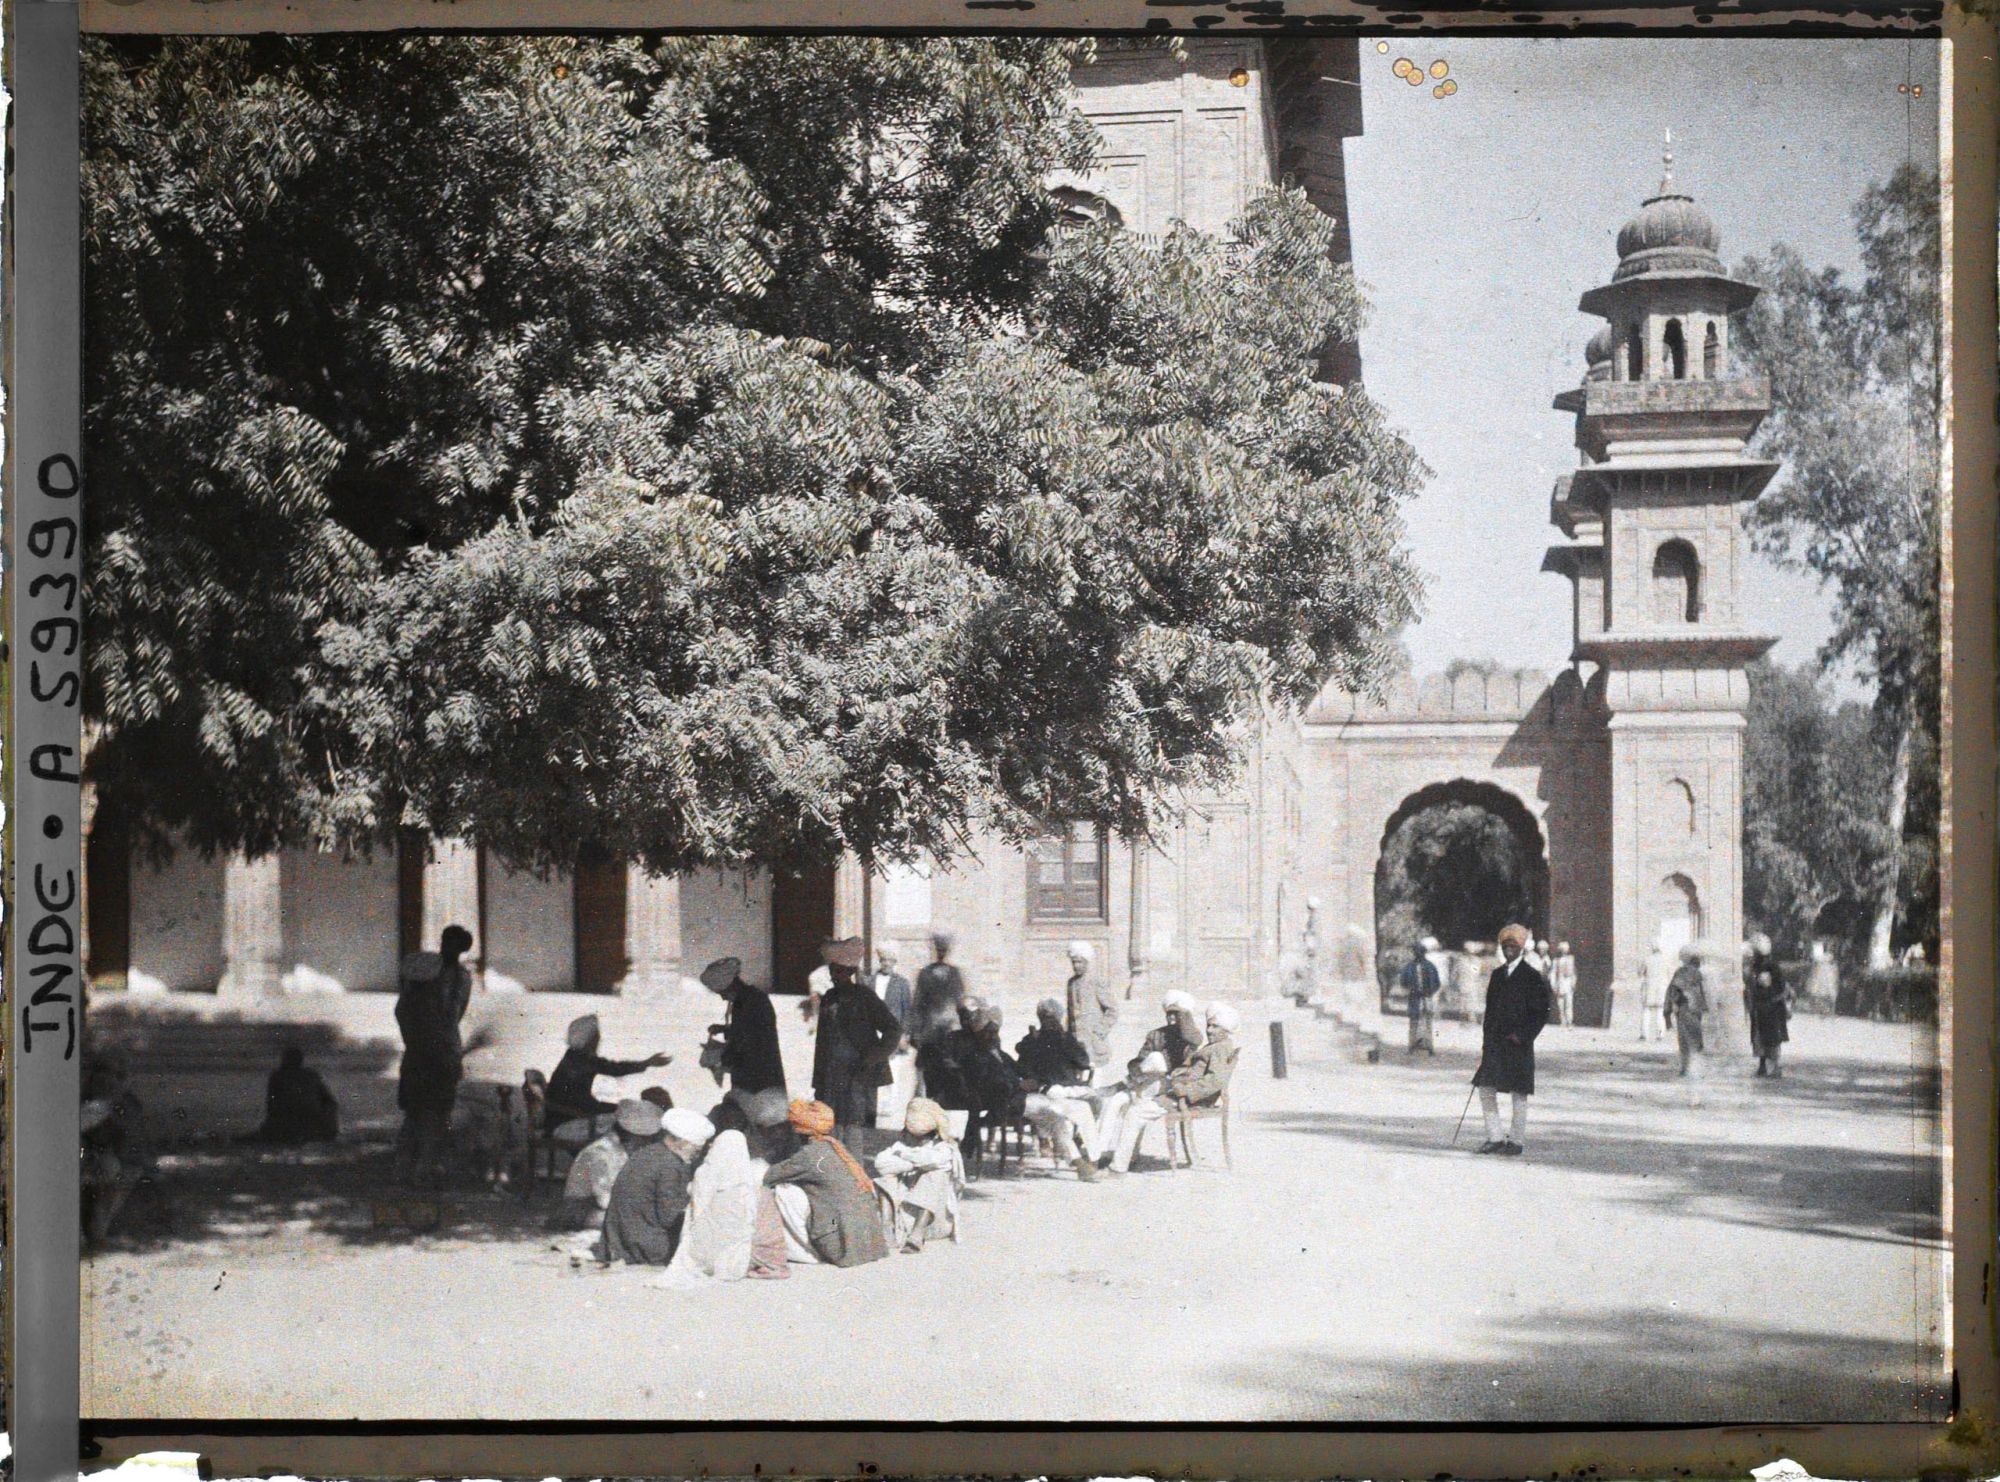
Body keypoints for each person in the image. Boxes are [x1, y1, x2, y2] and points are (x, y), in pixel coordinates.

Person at [1107, 1003, 1241, 1174]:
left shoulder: (1220, 1049)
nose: (1209, 1030)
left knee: (1135, 1112)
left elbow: (1216, 1081)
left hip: (1188, 1098)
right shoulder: (1218, 1046)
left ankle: (1118, 1167)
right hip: (1181, 1091)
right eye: (1209, 1025)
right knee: (1139, 1100)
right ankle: (1129, 1156)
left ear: (1227, 1030)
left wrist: (1185, 1091)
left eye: (1215, 1027)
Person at [763, 1099, 891, 1268]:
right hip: (869, 1244)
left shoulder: (809, 1155)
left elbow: (768, 1177)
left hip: (840, 1243)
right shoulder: (836, 1147)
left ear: (798, 1131)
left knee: (784, 1191)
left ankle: (804, 1254)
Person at [394, 924, 475, 1184]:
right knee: (433, 1115)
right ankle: (421, 1170)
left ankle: (405, 1168)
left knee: (417, 1113)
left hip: (420, 1052)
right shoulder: (455, 977)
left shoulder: (421, 974)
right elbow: (454, 1015)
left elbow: (402, 1011)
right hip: (439, 1053)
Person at [811, 936, 904, 1141]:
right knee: (830, 1129)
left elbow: (893, 1029)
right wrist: (818, 1081)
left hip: (857, 1076)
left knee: (853, 1130)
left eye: (840, 971)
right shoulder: (828, 999)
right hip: (831, 1076)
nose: (835, 976)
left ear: (851, 972)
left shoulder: (865, 998)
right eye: (832, 971)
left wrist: (874, 1057)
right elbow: (822, 1043)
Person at [598, 1104, 714, 1267]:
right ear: (682, 1142)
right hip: (645, 1246)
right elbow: (669, 1217)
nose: (695, 1156)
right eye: (695, 1151)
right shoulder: (671, 1165)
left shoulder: (647, 1152)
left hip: (618, 1239)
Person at [1470, 923, 1549, 1157]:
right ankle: (1494, 1137)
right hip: (1496, 1044)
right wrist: (1486, 1042)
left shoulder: (1531, 976)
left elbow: (1541, 1012)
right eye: (1505, 946)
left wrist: (1523, 1035)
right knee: (1485, 1088)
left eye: (1513, 946)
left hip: (1518, 1044)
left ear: (1522, 948)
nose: (1509, 950)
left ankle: (1515, 1141)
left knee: (1518, 1093)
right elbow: (1490, 1011)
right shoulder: (1497, 975)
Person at [657, 1129, 766, 1286]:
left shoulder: (706, 1171)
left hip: (707, 1241)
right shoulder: (748, 1176)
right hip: (735, 1255)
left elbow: (699, 1201)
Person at [546, 1014, 672, 1150]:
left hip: (569, 1119)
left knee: (627, 1114)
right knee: (630, 1121)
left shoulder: (575, 1057)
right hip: (568, 1125)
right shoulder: (580, 1061)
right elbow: (614, 1069)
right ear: (588, 1040)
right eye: (596, 1036)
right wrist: (647, 1063)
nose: (599, 1039)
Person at [1014, 998, 1102, 1179]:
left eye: (1052, 1018)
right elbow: (1021, 1068)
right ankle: (1087, 1161)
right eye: (1047, 1018)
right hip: (1047, 1092)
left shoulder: (1062, 1038)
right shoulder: (1035, 1040)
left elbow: (1083, 1061)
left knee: (1091, 1104)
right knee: (1070, 1113)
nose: (1050, 1022)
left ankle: (1093, 1159)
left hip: (1066, 1090)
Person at [874, 1097, 966, 1252]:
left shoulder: (945, 1149)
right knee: (884, 1179)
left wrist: (905, 1158)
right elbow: (881, 1164)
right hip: (902, 1218)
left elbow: (937, 1161)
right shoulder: (901, 1147)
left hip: (932, 1219)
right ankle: (886, 1229)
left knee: (936, 1174)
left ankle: (918, 1234)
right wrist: (916, 1162)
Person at [82, 1055, 152, 1246]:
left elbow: (132, 1136)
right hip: (85, 1155)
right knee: (107, 1172)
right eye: (104, 1076)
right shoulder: (91, 1101)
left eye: (116, 1077)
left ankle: (97, 1232)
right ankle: (92, 1232)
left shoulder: (126, 1102)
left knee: (119, 1174)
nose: (109, 1081)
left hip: (110, 1158)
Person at [700, 956, 786, 1096]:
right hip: (750, 1069)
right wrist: (724, 1029)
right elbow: (745, 1029)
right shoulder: (746, 999)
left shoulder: (751, 1001)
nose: (722, 998)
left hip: (758, 1071)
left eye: (722, 993)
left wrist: (722, 1058)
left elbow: (749, 1038)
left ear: (731, 986)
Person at [556, 1100, 639, 1237]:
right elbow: (604, 1199)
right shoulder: (600, 1152)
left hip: (600, 1207)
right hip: (582, 1211)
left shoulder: (619, 1150)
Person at [245, 1045, 339, 1145]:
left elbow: (272, 1106)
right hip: (312, 1123)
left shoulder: (278, 1076)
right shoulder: (311, 1075)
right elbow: (330, 1102)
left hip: (287, 1123)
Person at [1064, 941, 1120, 1071]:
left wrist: (1100, 1031)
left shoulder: (1096, 981)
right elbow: (1070, 1012)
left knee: (1094, 1078)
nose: (1076, 966)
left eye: (1080, 962)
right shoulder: (1071, 983)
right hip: (1075, 1043)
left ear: (1087, 962)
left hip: (1093, 1043)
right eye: (1074, 962)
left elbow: (1112, 1010)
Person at [1743, 933, 1789, 1078]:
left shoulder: (1763, 968)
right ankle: (1766, 1067)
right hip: (1767, 1008)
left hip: (1766, 1008)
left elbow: (1778, 989)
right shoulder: (1765, 967)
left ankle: (1770, 1067)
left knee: (1767, 1038)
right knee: (1767, 1038)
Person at [912, 931, 967, 1049]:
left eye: (944, 950)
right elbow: (918, 1003)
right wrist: (916, 1030)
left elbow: (960, 1001)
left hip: (951, 1026)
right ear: (935, 950)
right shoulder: (925, 972)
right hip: (930, 1026)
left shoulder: (954, 973)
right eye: (939, 949)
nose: (941, 953)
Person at [1664, 945, 1710, 1083]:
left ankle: (1686, 1067)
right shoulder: (1698, 974)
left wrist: (1668, 1012)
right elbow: (1702, 993)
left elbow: (1672, 992)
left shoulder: (1681, 973)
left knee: (1684, 1039)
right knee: (1695, 1037)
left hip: (1684, 1009)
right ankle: (1694, 1067)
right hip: (1695, 1010)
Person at [1400, 938, 1442, 1056]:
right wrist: (1411, 990)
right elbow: (1403, 981)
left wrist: (1429, 992)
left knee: (1427, 1022)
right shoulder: (1409, 967)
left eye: (1420, 952)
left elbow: (1436, 983)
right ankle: (1412, 1046)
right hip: (1414, 997)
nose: (1418, 954)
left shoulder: (1429, 966)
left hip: (1426, 997)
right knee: (1414, 1022)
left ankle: (1429, 1046)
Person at [1640, 946, 1671, 1042]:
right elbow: (1669, 974)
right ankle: (1660, 1034)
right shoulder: (1666, 960)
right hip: (1662, 987)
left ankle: (1644, 1034)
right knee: (1660, 1012)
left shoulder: (1647, 959)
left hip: (1649, 987)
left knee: (1646, 1011)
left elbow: (1641, 972)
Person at [1549, 941, 1578, 1028]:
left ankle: (1569, 1021)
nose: (1564, 951)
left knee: (1569, 1004)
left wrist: (1574, 982)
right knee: (1560, 1004)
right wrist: (1553, 984)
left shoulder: (1571, 959)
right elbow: (1553, 973)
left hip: (1568, 983)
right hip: (1560, 983)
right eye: (1562, 949)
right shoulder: (1556, 961)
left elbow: (1574, 972)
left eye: (1565, 949)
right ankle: (1563, 1021)